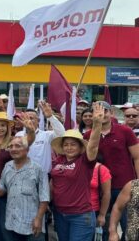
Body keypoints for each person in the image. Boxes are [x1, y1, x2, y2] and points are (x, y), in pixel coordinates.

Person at [83, 101, 139, 240]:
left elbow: (137, 157)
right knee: (104, 227)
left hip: (125, 186)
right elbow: (87, 160)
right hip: (99, 188)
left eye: (105, 111)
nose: (102, 114)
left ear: (111, 113)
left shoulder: (125, 131)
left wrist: (137, 182)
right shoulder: (88, 135)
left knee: (129, 227)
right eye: (97, 112)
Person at [50, 103, 104, 241]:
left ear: (81, 147)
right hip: (60, 213)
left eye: (73, 144)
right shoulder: (58, 161)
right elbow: (54, 183)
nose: (69, 147)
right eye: (66, 144)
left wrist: (97, 124)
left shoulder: (85, 161)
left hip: (81, 215)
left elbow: (93, 146)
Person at [0, 136, 49, 241]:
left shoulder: (38, 169)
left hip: (32, 224)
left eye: (17, 146)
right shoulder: (7, 166)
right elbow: (3, 187)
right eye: (10, 146)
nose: (13, 149)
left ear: (27, 149)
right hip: (11, 222)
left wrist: (38, 219)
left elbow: (44, 198)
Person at [16, 101, 65, 174]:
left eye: (31, 118)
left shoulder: (47, 135)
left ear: (38, 120)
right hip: (24, 177)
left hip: (44, 176)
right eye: (26, 118)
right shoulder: (18, 135)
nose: (28, 121)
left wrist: (50, 117)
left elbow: (62, 134)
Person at [91, 162, 111, 241]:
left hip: (94, 211)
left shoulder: (101, 169)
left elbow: (106, 193)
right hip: (74, 211)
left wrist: (102, 215)